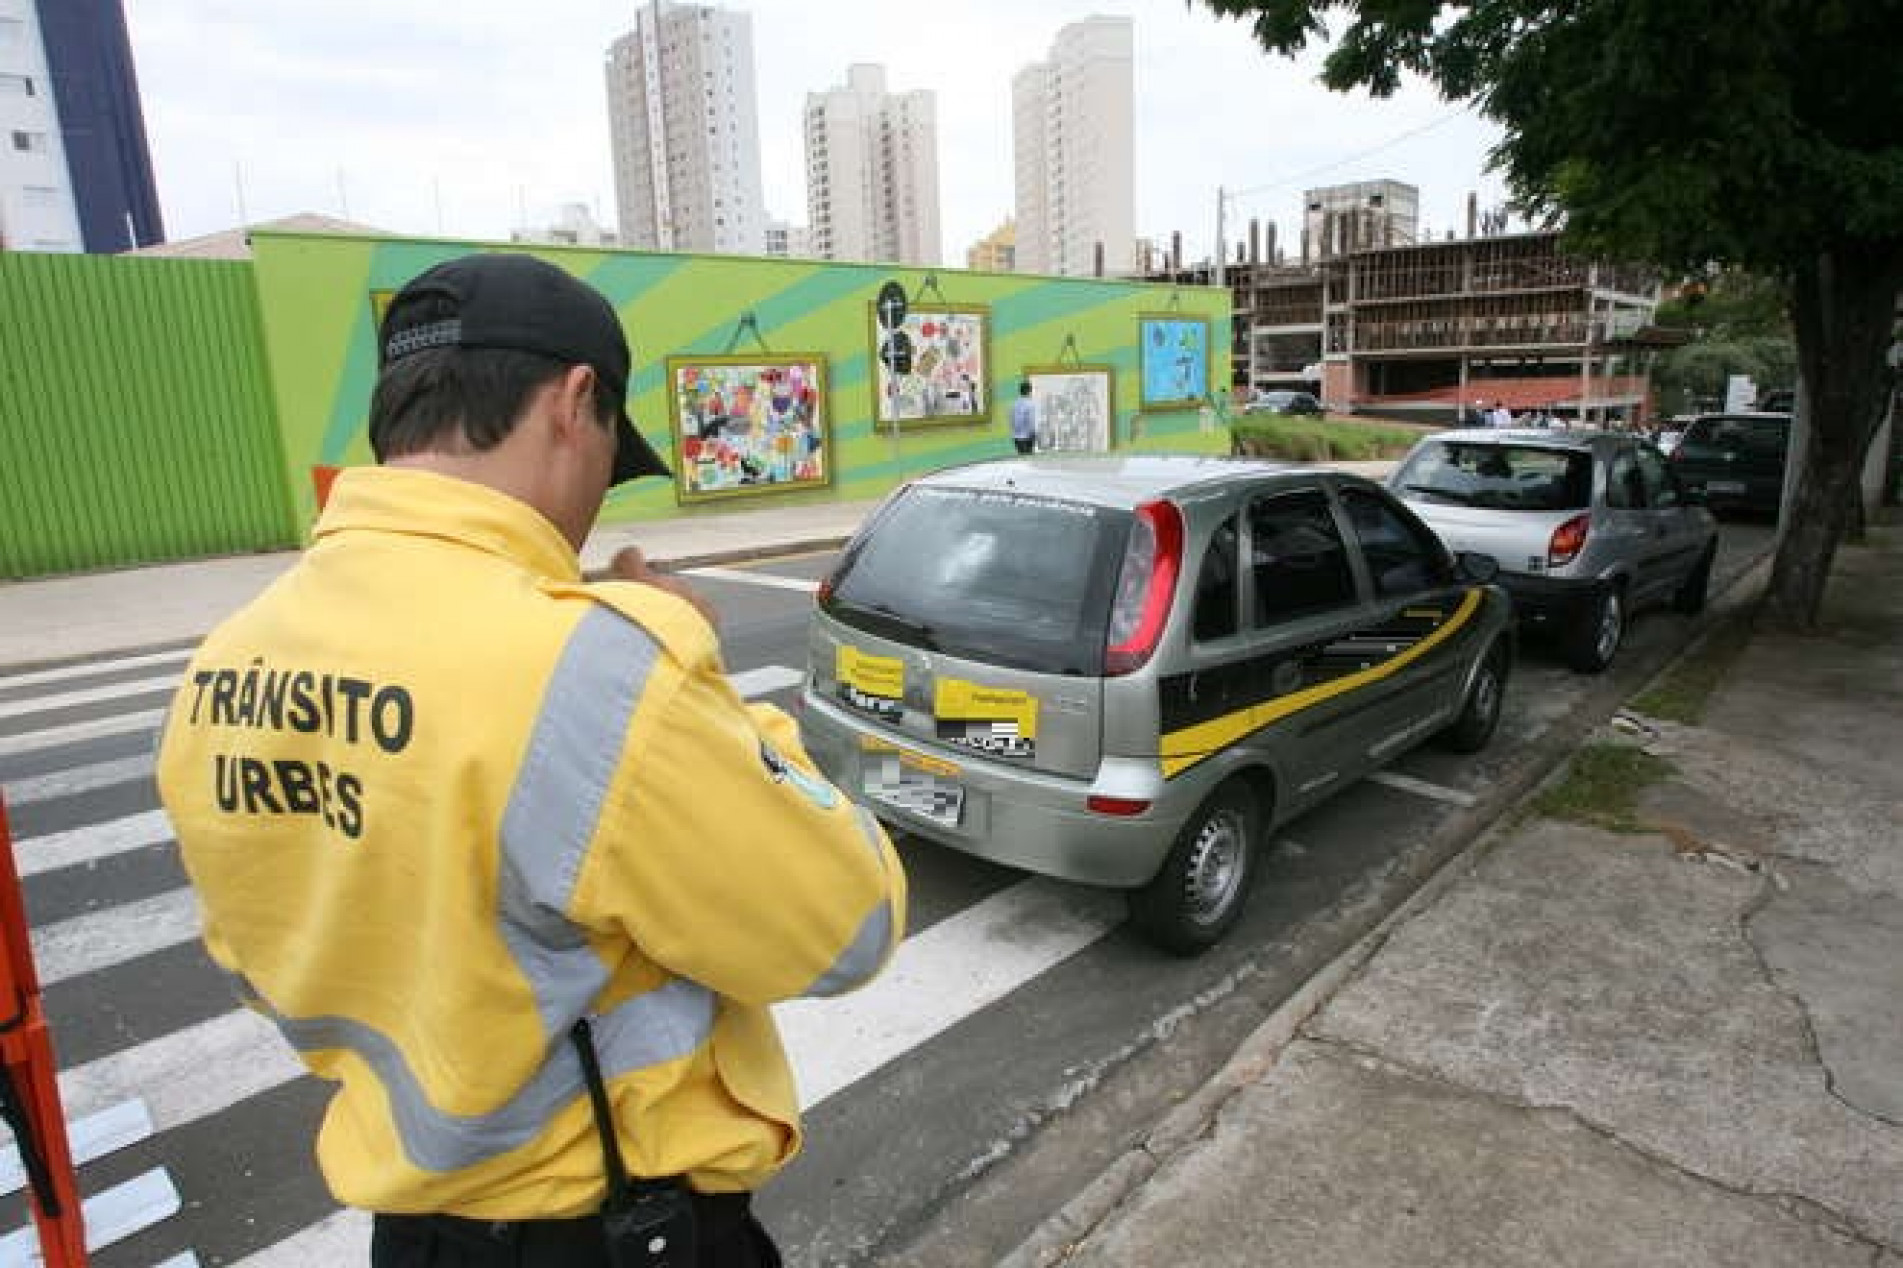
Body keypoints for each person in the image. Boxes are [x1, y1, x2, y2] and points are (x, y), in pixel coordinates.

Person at [155, 253, 906, 1268]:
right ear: (574, 400)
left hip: (414, 1236)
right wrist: (701, 676)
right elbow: (846, 926)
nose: (600, 493)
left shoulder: (226, 660)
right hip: (611, 1232)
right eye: (611, 453)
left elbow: (264, 953)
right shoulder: (597, 664)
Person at [1010, 379, 1037, 455]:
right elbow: (1031, 421)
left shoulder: (1014, 404)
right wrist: (1033, 434)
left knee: (1021, 456)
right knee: (1029, 458)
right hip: (1027, 437)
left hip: (1016, 437)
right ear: (1029, 391)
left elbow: (1011, 420)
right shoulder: (1030, 404)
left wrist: (1014, 432)